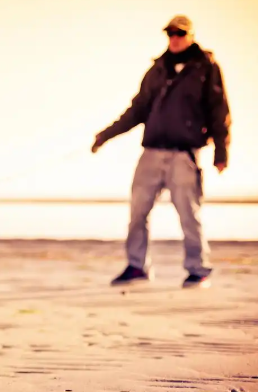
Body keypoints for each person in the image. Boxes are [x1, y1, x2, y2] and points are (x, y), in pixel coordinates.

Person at [91, 15, 231, 289]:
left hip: (184, 153)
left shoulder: (206, 67)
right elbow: (137, 109)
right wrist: (105, 136)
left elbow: (219, 111)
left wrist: (221, 152)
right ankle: (136, 266)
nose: (174, 38)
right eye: (170, 34)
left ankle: (198, 269)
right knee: (137, 212)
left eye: (179, 33)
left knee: (189, 214)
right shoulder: (157, 70)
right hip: (152, 151)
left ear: (190, 35)